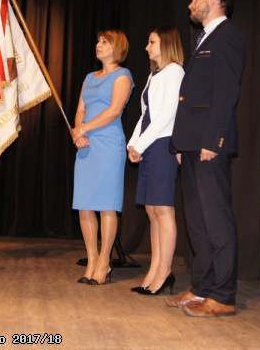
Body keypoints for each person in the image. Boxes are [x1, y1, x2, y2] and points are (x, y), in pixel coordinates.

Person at [166, 0, 246, 317]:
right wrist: (180, 143)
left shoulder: (228, 36)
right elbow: (193, 98)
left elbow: (226, 93)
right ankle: (201, 288)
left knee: (217, 220)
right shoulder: (204, 39)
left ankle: (224, 295)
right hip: (192, 144)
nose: (190, 4)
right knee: (197, 223)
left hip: (210, 145)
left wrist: (214, 141)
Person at [72, 29, 134, 286]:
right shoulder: (89, 77)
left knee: (107, 205)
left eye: (105, 42)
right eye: (98, 40)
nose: (98, 44)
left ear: (117, 47)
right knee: (85, 205)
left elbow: (114, 110)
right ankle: (92, 260)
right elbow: (80, 109)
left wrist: (83, 129)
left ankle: (105, 262)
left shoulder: (123, 75)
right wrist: (77, 132)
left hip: (108, 144)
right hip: (86, 145)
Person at [127, 26, 185, 295]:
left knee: (163, 210)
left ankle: (165, 272)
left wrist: (141, 144)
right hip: (150, 144)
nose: (147, 47)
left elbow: (166, 115)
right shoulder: (154, 75)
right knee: (151, 210)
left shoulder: (174, 71)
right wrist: (133, 143)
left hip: (163, 144)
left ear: (166, 44)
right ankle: (155, 268)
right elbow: (146, 114)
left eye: (152, 42)